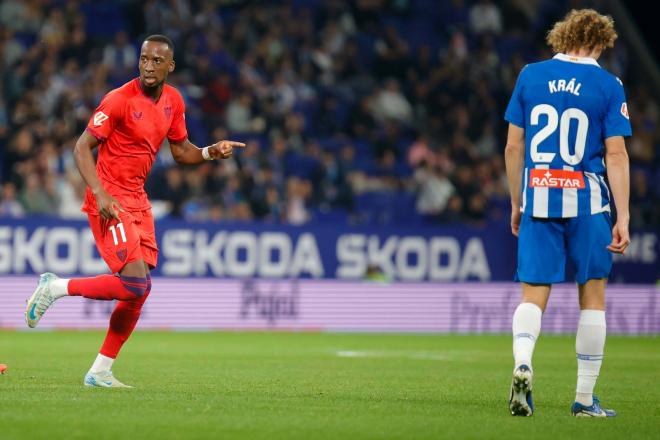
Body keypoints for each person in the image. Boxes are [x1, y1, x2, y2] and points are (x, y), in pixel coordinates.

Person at [24, 35, 245, 388]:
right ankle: (56, 287)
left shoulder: (173, 101)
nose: (148, 66)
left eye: (157, 60)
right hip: (109, 198)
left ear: (170, 66)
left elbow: (181, 151)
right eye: (144, 59)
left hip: (138, 200)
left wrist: (208, 153)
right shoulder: (118, 99)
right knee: (134, 282)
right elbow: (81, 147)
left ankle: (100, 371)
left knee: (139, 290)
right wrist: (99, 193)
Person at [503, 9, 630, 417]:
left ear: (563, 36)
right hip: (587, 201)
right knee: (592, 297)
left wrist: (517, 201)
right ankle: (584, 399)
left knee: (533, 293)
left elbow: (512, 147)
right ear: (599, 42)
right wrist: (623, 216)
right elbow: (616, 153)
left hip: (539, 195)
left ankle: (523, 362)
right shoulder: (609, 85)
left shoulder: (529, 75)